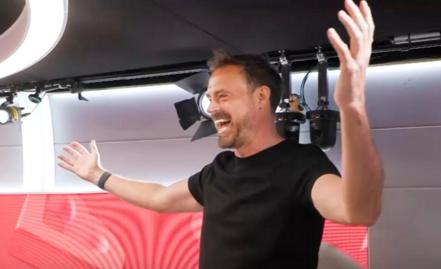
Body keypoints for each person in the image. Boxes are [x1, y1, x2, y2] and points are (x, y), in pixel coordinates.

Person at [58, 0, 383, 268]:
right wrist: (97, 175)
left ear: (261, 98)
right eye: (211, 98)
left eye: (223, 96)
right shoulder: (220, 169)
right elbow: (159, 198)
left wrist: (352, 107)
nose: (212, 108)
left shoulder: (302, 164)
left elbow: (358, 210)